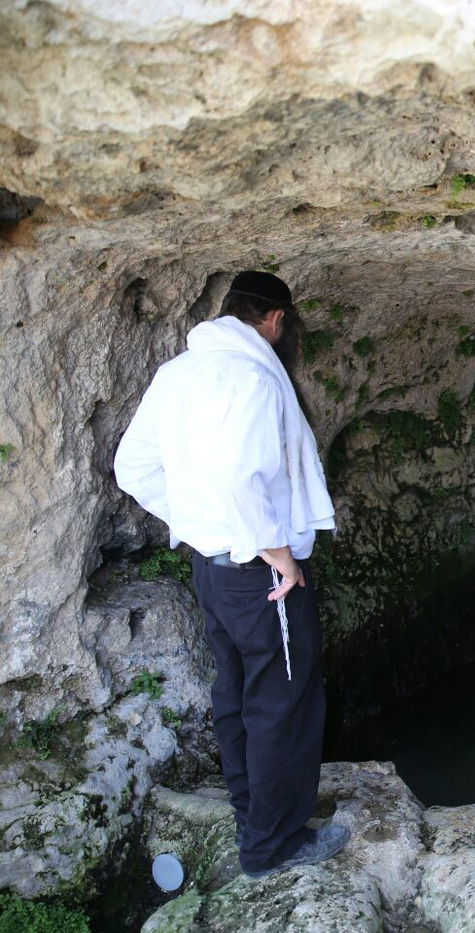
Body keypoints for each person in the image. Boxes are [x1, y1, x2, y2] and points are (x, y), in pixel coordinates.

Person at [114, 270, 348, 878]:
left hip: (211, 570)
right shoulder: (254, 378)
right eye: (287, 325)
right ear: (274, 320)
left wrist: (198, 521)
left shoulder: (177, 374)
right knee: (283, 702)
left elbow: (133, 467)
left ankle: (253, 815)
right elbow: (236, 481)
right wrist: (278, 553)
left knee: (238, 695)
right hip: (261, 575)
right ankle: (274, 845)